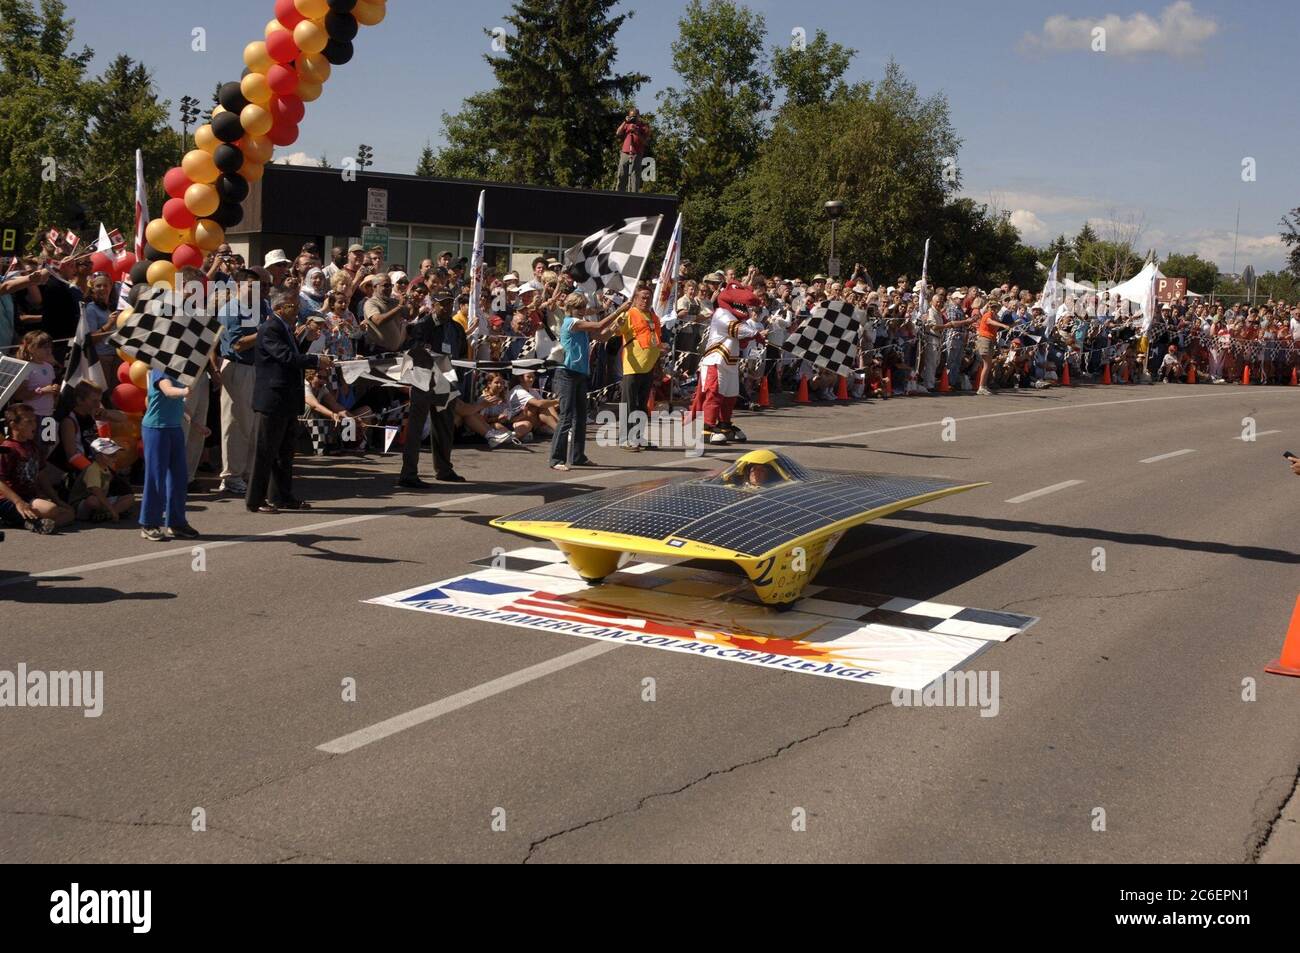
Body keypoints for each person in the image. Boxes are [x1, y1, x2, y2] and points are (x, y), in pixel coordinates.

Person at [246, 292, 331, 514]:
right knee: (265, 451)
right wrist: (315, 359)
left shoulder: (285, 328)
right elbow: (283, 357)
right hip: (273, 398)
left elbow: (292, 355)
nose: (297, 311)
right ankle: (256, 499)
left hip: (286, 398)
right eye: (294, 307)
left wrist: (306, 343)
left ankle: (282, 496)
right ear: (281, 307)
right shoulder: (271, 328)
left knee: (284, 452)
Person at [550, 292, 620, 470]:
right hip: (566, 373)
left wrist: (614, 328)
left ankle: (577, 456)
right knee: (566, 417)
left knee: (580, 417)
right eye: (578, 307)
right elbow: (598, 324)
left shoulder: (580, 327)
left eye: (583, 307)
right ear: (570, 308)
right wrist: (619, 311)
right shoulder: (571, 322)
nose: (582, 310)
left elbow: (601, 336)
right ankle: (556, 459)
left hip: (580, 374)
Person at [140, 367, 205, 540]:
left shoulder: (178, 371)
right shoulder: (159, 370)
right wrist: (184, 390)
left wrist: (196, 423)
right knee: (156, 477)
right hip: (156, 429)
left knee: (179, 477)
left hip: (174, 428)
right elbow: (168, 391)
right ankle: (149, 523)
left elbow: (179, 404)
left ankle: (176, 523)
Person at [0, 403, 73, 534]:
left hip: (29, 498)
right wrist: (18, 502)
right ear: (14, 425)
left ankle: (39, 524)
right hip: (8, 499)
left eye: (34, 421)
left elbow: (42, 474)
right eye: (28, 422)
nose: (34, 425)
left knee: (69, 512)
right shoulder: (7, 449)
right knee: (51, 509)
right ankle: (23, 519)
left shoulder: (32, 446)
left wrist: (57, 499)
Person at [617, 284, 662, 449]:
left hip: (648, 366)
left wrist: (658, 364)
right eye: (642, 297)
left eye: (648, 297)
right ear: (635, 299)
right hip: (632, 366)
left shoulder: (652, 315)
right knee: (629, 404)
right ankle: (625, 438)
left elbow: (655, 339)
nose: (646, 300)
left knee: (642, 404)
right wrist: (619, 319)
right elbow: (617, 330)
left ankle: (638, 436)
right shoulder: (630, 313)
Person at [70, 437, 134, 523]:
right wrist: (112, 509)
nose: (115, 458)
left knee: (129, 498)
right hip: (82, 504)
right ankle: (109, 513)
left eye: (115, 454)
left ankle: (104, 515)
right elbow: (97, 492)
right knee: (93, 501)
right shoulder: (93, 469)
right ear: (98, 456)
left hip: (101, 501)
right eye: (110, 455)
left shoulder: (106, 468)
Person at [974, 299, 1012, 395]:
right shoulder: (988, 315)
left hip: (991, 340)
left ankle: (984, 385)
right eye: (992, 307)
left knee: (988, 365)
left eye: (996, 307)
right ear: (989, 307)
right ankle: (981, 387)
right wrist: (1003, 325)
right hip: (985, 340)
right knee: (986, 365)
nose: (994, 309)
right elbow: (990, 322)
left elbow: (997, 327)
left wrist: (1012, 325)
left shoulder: (994, 317)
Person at [615, 107, 650, 192]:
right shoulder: (627, 124)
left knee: (634, 176)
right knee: (622, 174)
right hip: (625, 152)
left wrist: (637, 132)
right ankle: (619, 194)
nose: (632, 118)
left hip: (637, 153)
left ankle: (633, 196)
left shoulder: (644, 127)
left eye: (634, 116)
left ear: (638, 116)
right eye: (631, 116)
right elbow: (618, 132)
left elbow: (646, 142)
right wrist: (625, 121)